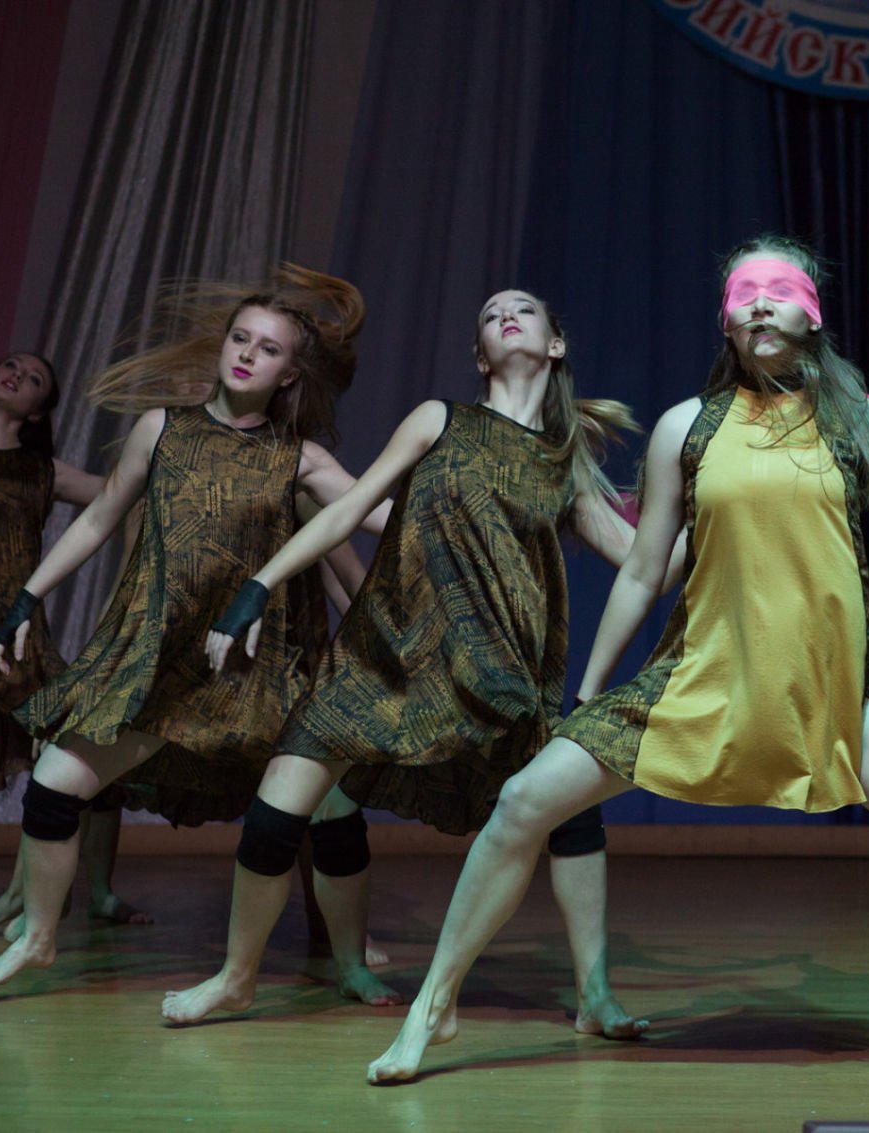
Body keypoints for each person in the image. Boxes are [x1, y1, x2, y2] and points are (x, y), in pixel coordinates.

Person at [362, 236, 869, 1086]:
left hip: (831, 696)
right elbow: (643, 569)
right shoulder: (688, 426)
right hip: (696, 685)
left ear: (811, 315)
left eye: (779, 290)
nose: (761, 303)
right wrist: (588, 693)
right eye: (744, 292)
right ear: (726, 320)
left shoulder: (863, 426)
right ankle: (433, 1007)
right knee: (522, 803)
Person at [161, 288, 652, 1029]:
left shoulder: (564, 465)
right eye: (490, 313)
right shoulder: (438, 419)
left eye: (523, 309)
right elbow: (347, 508)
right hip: (383, 655)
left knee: (570, 815)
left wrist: (724, 510)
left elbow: (643, 562)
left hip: (497, 668)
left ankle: (595, 995)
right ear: (480, 356)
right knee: (276, 809)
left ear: (555, 344)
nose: (506, 315)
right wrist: (259, 586)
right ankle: (235, 979)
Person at [0, 265, 383, 989]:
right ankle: (38, 937)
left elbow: (377, 516)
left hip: (257, 668)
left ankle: (351, 961)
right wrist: (29, 595)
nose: (247, 353)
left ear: (289, 374)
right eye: (240, 337)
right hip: (165, 661)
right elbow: (99, 518)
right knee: (53, 784)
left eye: (268, 348)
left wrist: (466, 496)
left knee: (332, 812)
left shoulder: (301, 459)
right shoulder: (160, 429)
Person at [0, 353, 148, 933]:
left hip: (11, 640)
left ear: (38, 409)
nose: (17, 373)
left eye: (34, 377)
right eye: (11, 365)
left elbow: (128, 498)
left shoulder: (44, 470)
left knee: (82, 744)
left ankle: (72, 892)